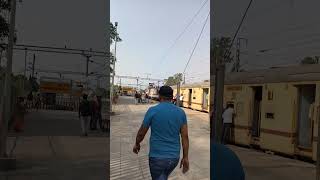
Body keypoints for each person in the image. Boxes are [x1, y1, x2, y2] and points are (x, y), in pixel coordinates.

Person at [133, 86, 189, 180]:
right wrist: (186, 157)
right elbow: (185, 137)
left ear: (159, 96)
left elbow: (141, 133)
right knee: (163, 176)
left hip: (157, 158)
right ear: (172, 97)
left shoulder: (153, 111)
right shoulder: (181, 112)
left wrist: (137, 144)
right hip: (174, 158)